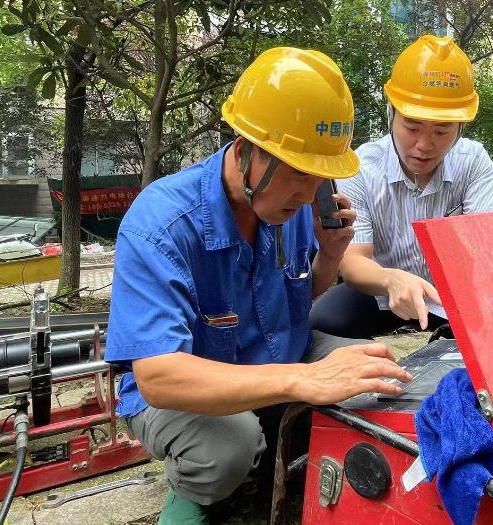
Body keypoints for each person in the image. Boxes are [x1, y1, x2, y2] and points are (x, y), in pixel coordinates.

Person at [104, 47, 412, 525]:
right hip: (181, 388)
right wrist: (302, 380)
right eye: (297, 172)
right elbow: (159, 376)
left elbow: (300, 297)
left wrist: (330, 255)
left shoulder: (290, 209)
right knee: (230, 446)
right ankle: (191, 498)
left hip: (277, 353)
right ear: (245, 147)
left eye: (320, 178)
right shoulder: (161, 223)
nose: (310, 193)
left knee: (377, 371)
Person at [309, 35, 493, 340]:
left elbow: (491, 248)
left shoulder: (473, 162)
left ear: (460, 127)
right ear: (391, 113)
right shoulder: (362, 167)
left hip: (456, 298)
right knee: (323, 321)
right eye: (412, 128)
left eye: (442, 131)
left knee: (489, 335)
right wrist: (390, 279)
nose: (424, 145)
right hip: (382, 292)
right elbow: (353, 260)